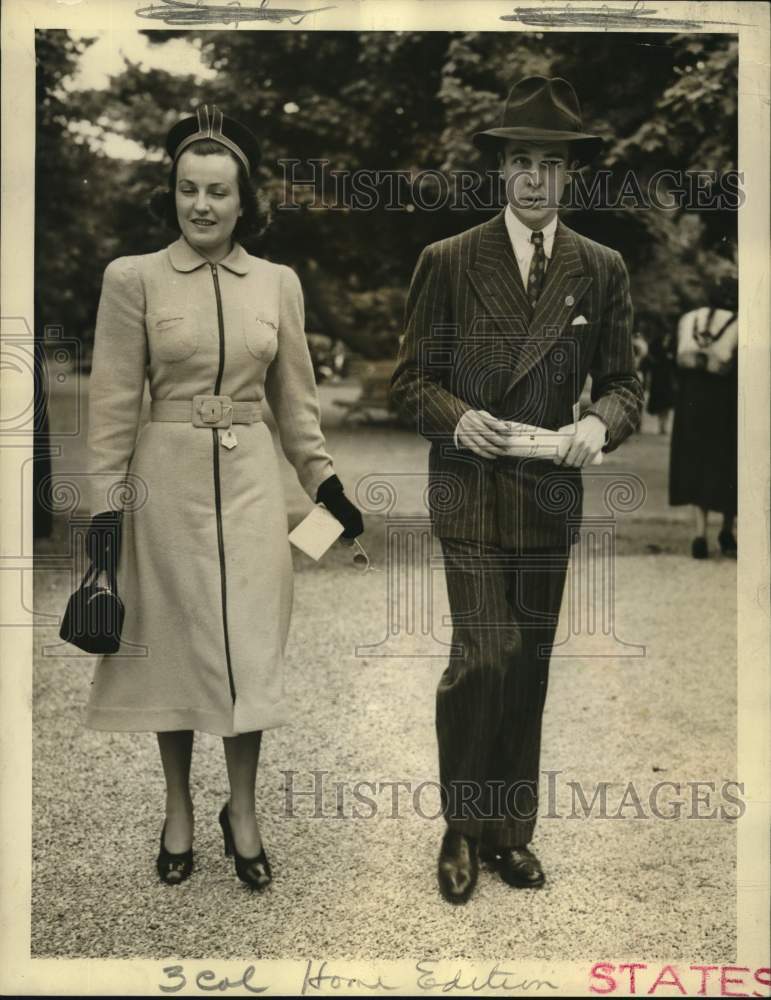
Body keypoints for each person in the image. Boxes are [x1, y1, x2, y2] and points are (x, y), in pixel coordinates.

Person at [82, 106, 363, 888]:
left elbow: (297, 404)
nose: (200, 205)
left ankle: (241, 809)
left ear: (245, 202)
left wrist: (325, 485)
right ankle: (177, 806)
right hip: (162, 487)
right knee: (173, 650)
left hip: (250, 489)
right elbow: (109, 406)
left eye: (217, 192)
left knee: (248, 649)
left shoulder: (278, 283)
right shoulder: (131, 278)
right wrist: (106, 515)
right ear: (170, 195)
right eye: (186, 190)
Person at [390, 76, 643, 903]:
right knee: (485, 653)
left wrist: (595, 427)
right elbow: (409, 383)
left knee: (527, 664)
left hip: (548, 496)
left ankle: (508, 832)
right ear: (500, 171)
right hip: (468, 490)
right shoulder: (450, 260)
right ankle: (462, 826)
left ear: (569, 176)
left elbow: (624, 385)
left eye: (550, 164)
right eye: (519, 162)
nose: (534, 178)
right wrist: (456, 417)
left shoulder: (600, 269)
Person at [668, 284, 738, 559]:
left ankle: (699, 533)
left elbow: (678, 363)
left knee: (696, 463)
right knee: (727, 466)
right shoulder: (739, 324)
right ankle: (726, 529)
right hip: (726, 403)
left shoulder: (688, 320)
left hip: (692, 403)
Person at [641, 331, 676, 434]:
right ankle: (661, 424)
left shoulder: (673, 344)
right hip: (659, 376)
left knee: (668, 403)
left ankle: (664, 425)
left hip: (668, 377)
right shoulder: (656, 343)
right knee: (661, 402)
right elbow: (650, 357)